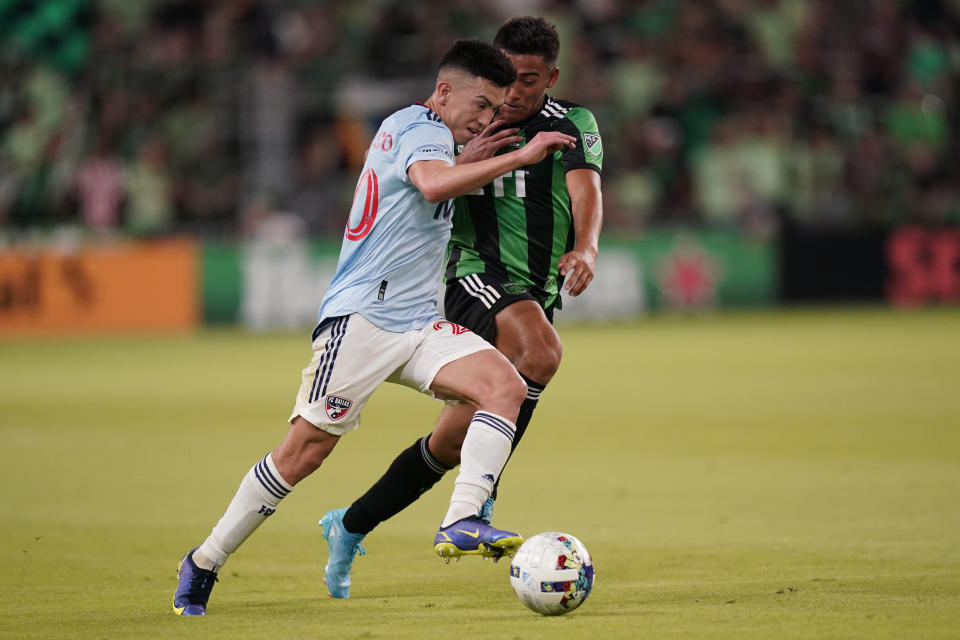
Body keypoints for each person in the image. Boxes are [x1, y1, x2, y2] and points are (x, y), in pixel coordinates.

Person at [172, 38, 577, 616]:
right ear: (444, 92)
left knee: (506, 385)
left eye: (494, 111)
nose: (488, 118)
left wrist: (471, 157)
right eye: (481, 105)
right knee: (302, 455)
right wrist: (518, 155)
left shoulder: (435, 138)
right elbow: (433, 185)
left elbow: (427, 186)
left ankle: (462, 518)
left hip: (419, 322)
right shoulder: (416, 125)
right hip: (361, 321)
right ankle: (205, 559)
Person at [319, 16, 603, 598]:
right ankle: (480, 498)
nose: (514, 92)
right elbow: (426, 180)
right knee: (542, 352)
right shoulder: (462, 122)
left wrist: (587, 246)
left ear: (550, 77)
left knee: (450, 443)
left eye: (528, 80)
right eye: (506, 77)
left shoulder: (572, 122)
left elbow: (586, 188)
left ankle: (349, 525)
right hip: (469, 274)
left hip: (533, 291)